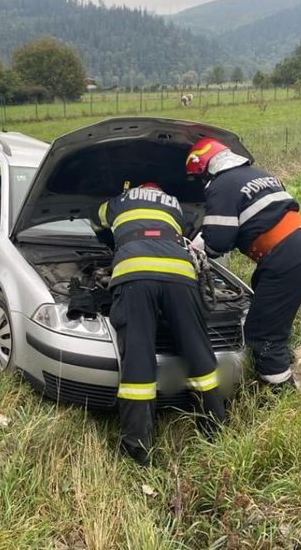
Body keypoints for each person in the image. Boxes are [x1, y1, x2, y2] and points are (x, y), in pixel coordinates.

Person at [90, 181, 227, 465]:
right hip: (180, 273)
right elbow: (183, 231)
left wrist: (112, 240)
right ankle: (216, 429)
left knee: (139, 357)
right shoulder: (174, 204)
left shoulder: (119, 199)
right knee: (197, 350)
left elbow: (97, 221)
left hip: (135, 273)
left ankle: (136, 445)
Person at [186, 137, 301, 390]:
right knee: (268, 310)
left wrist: (194, 248)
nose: (201, 183)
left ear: (205, 167)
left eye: (198, 177)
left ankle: (279, 391)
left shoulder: (222, 185)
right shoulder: (257, 174)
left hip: (286, 254)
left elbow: (217, 243)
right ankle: (281, 357)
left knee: (261, 332)